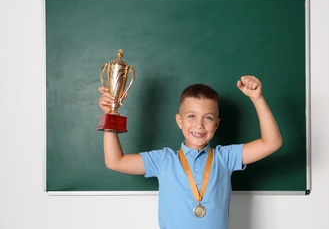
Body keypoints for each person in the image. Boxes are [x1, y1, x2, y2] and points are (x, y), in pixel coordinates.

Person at [98, 75, 282, 229]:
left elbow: (271, 142)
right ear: (179, 121)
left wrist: (257, 98)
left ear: (216, 124)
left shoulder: (225, 158)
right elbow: (115, 161)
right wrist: (110, 114)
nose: (199, 125)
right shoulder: (163, 160)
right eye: (191, 116)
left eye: (208, 118)